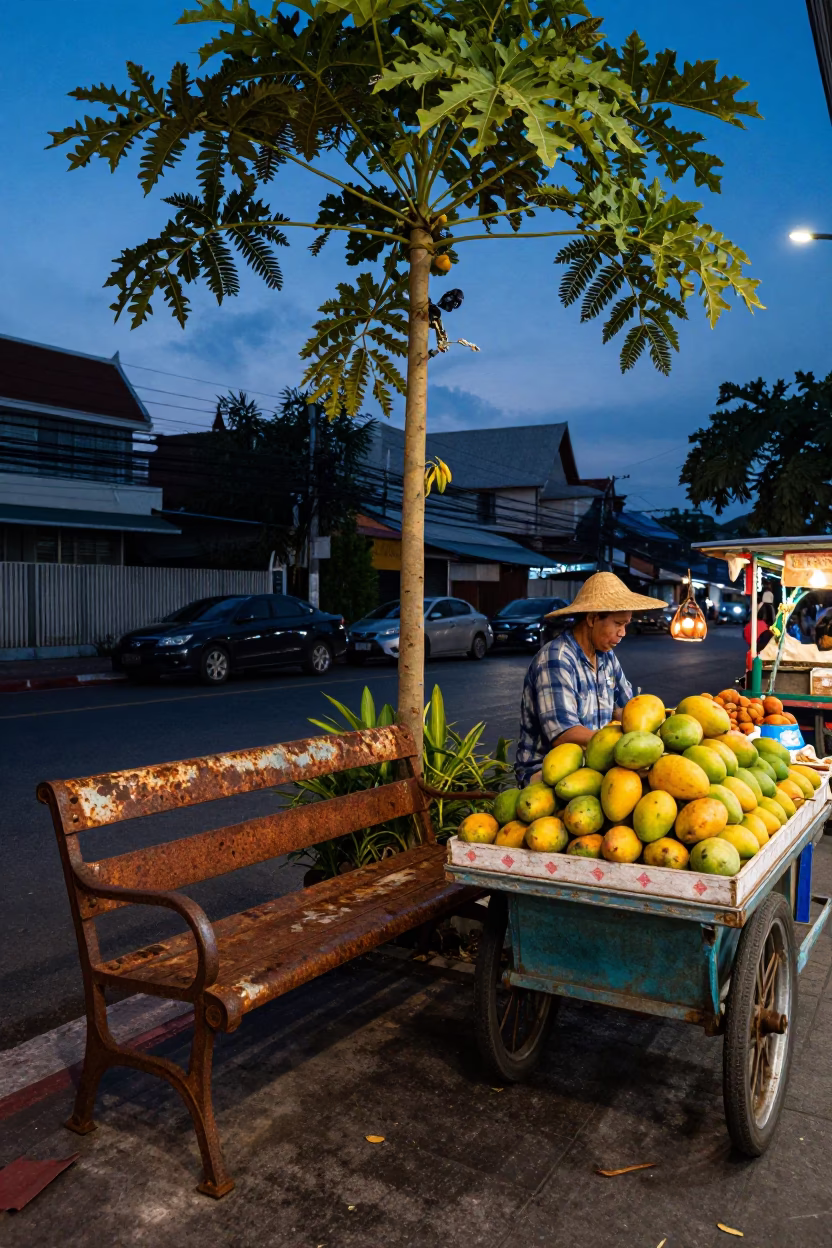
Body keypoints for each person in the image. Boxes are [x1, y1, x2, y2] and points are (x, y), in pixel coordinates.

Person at [515, 572, 663, 786]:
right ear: (593, 618)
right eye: (618, 624)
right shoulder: (556, 659)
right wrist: (623, 745)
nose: (622, 633)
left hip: (592, 764)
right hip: (545, 774)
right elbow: (564, 734)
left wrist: (656, 729)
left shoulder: (606, 656)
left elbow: (627, 709)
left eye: (626, 625)